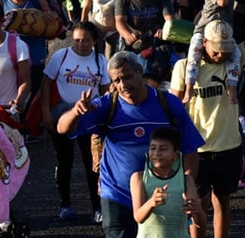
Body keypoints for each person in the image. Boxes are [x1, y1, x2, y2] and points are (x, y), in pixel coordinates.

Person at [57, 51, 204, 238]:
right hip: (117, 194)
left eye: (127, 77)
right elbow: (62, 128)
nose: (123, 85)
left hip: (160, 195)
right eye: (116, 81)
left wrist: (187, 187)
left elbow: (190, 149)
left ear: (140, 71)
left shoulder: (168, 104)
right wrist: (75, 112)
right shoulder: (105, 106)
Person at [170, 0, 245, 238]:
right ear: (204, 44)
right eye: (217, 50)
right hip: (197, 151)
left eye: (227, 50)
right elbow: (173, 109)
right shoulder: (184, 68)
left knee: (223, 201)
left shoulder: (234, 58)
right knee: (197, 205)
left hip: (229, 146)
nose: (222, 55)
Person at [41, 22, 110, 223]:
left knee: (92, 162)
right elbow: (45, 84)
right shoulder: (60, 57)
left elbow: (105, 90)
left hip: (89, 116)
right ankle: (65, 204)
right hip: (63, 114)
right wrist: (46, 113)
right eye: (77, 40)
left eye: (86, 40)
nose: (81, 44)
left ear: (94, 41)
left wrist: (105, 118)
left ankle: (97, 207)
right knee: (65, 160)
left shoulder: (100, 60)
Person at [182, 0, 244, 104]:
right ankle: (189, 88)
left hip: (224, 33)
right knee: (194, 56)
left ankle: (232, 87)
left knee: (235, 56)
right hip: (205, 32)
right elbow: (222, 2)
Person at [130, 126, 205, 238]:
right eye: (153, 148)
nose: (156, 153)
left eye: (163, 148)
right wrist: (151, 203)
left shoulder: (186, 180)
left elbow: (201, 223)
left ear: (176, 155)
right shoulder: (139, 178)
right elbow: (138, 217)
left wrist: (197, 210)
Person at [0, 0, 53, 103]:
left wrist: (50, 17)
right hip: (11, 58)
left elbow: (52, 18)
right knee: (14, 96)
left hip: (36, 55)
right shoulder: (1, 3)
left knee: (36, 95)